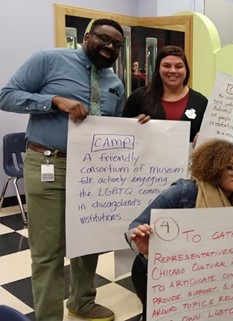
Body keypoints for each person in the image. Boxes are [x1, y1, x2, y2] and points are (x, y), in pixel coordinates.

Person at [0, 18, 125, 321]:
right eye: (104, 39)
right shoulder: (48, 60)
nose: (109, 47)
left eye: (116, 45)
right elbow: (6, 96)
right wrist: (54, 101)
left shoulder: (114, 84)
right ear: (87, 37)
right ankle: (48, 317)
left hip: (92, 171)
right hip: (48, 163)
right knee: (47, 250)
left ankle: (81, 302)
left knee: (88, 240)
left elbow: (115, 127)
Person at [126, 139, 233, 320]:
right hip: (157, 278)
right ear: (214, 168)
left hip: (206, 284)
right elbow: (133, 228)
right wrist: (143, 246)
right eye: (230, 168)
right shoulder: (185, 191)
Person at [123, 46, 207, 143]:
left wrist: (204, 138)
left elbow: (211, 140)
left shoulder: (200, 102)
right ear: (158, 69)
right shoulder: (139, 97)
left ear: (186, 70)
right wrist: (131, 124)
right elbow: (121, 133)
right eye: (166, 66)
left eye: (179, 66)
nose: (173, 71)